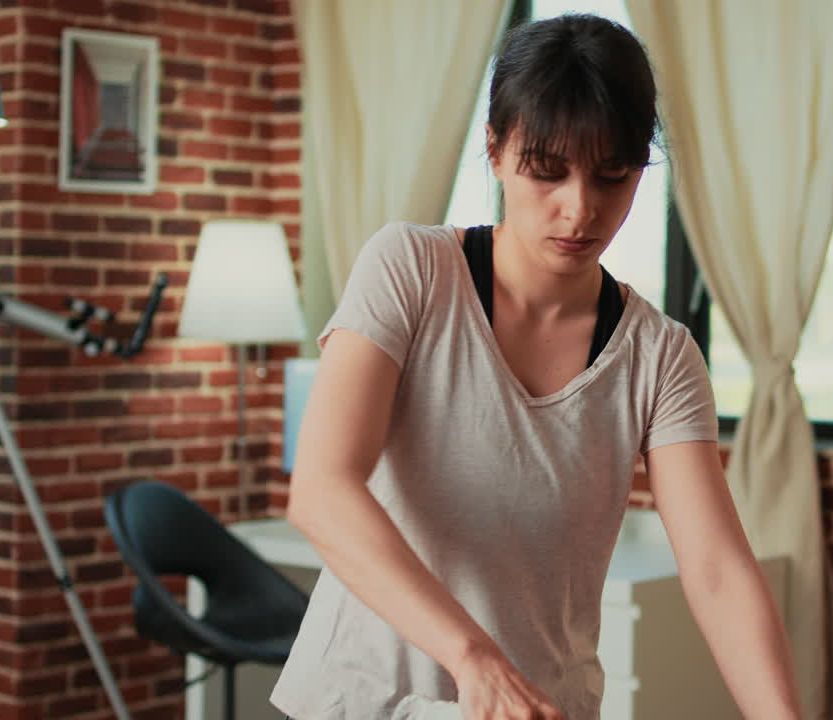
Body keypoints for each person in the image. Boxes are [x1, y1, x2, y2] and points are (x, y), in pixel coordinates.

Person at [271, 13, 802, 720]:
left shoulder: (660, 354)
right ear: (495, 150)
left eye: (612, 176)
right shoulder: (410, 270)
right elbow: (322, 489)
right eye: (548, 171)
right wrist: (473, 656)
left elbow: (716, 572)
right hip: (363, 701)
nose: (579, 210)